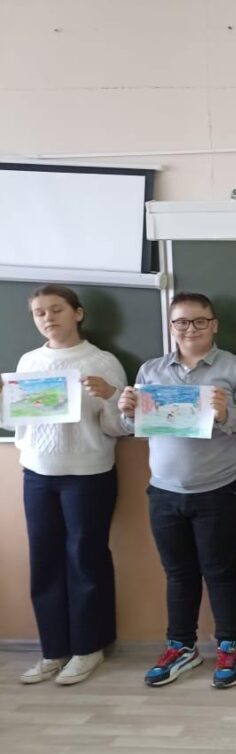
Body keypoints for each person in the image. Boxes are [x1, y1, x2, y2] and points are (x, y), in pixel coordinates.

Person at [118, 292, 236, 688]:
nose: (190, 329)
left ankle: (231, 645)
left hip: (219, 488)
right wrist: (127, 412)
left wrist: (226, 413)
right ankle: (181, 645)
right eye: (181, 321)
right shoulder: (151, 370)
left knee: (222, 571)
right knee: (178, 573)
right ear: (171, 326)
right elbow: (134, 428)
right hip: (164, 490)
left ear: (214, 325)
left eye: (199, 321)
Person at [9, 285, 127, 685]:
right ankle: (53, 650)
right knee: (44, 561)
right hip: (37, 473)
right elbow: (18, 423)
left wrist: (109, 396)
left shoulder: (103, 361)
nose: (48, 318)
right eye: (40, 312)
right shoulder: (29, 362)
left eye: (56, 309)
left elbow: (118, 426)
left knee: (85, 559)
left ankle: (89, 647)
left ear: (78, 313)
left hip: (88, 474)